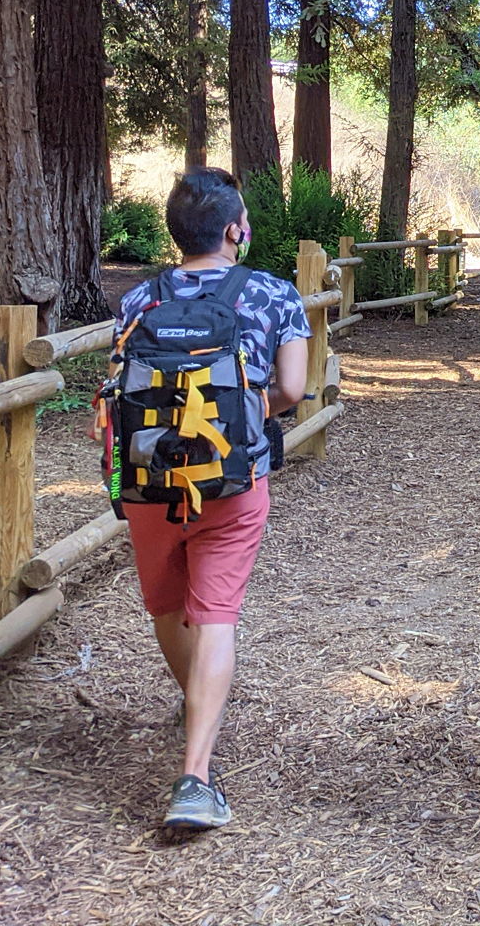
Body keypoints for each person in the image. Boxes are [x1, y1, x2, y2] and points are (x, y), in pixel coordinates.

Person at [86, 167, 310, 831]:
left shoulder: (139, 299)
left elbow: (120, 386)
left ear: (177, 231)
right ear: (236, 229)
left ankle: (196, 706)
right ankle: (195, 775)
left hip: (151, 479)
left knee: (166, 604)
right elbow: (293, 390)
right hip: (233, 480)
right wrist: (235, 421)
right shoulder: (273, 295)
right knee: (215, 613)